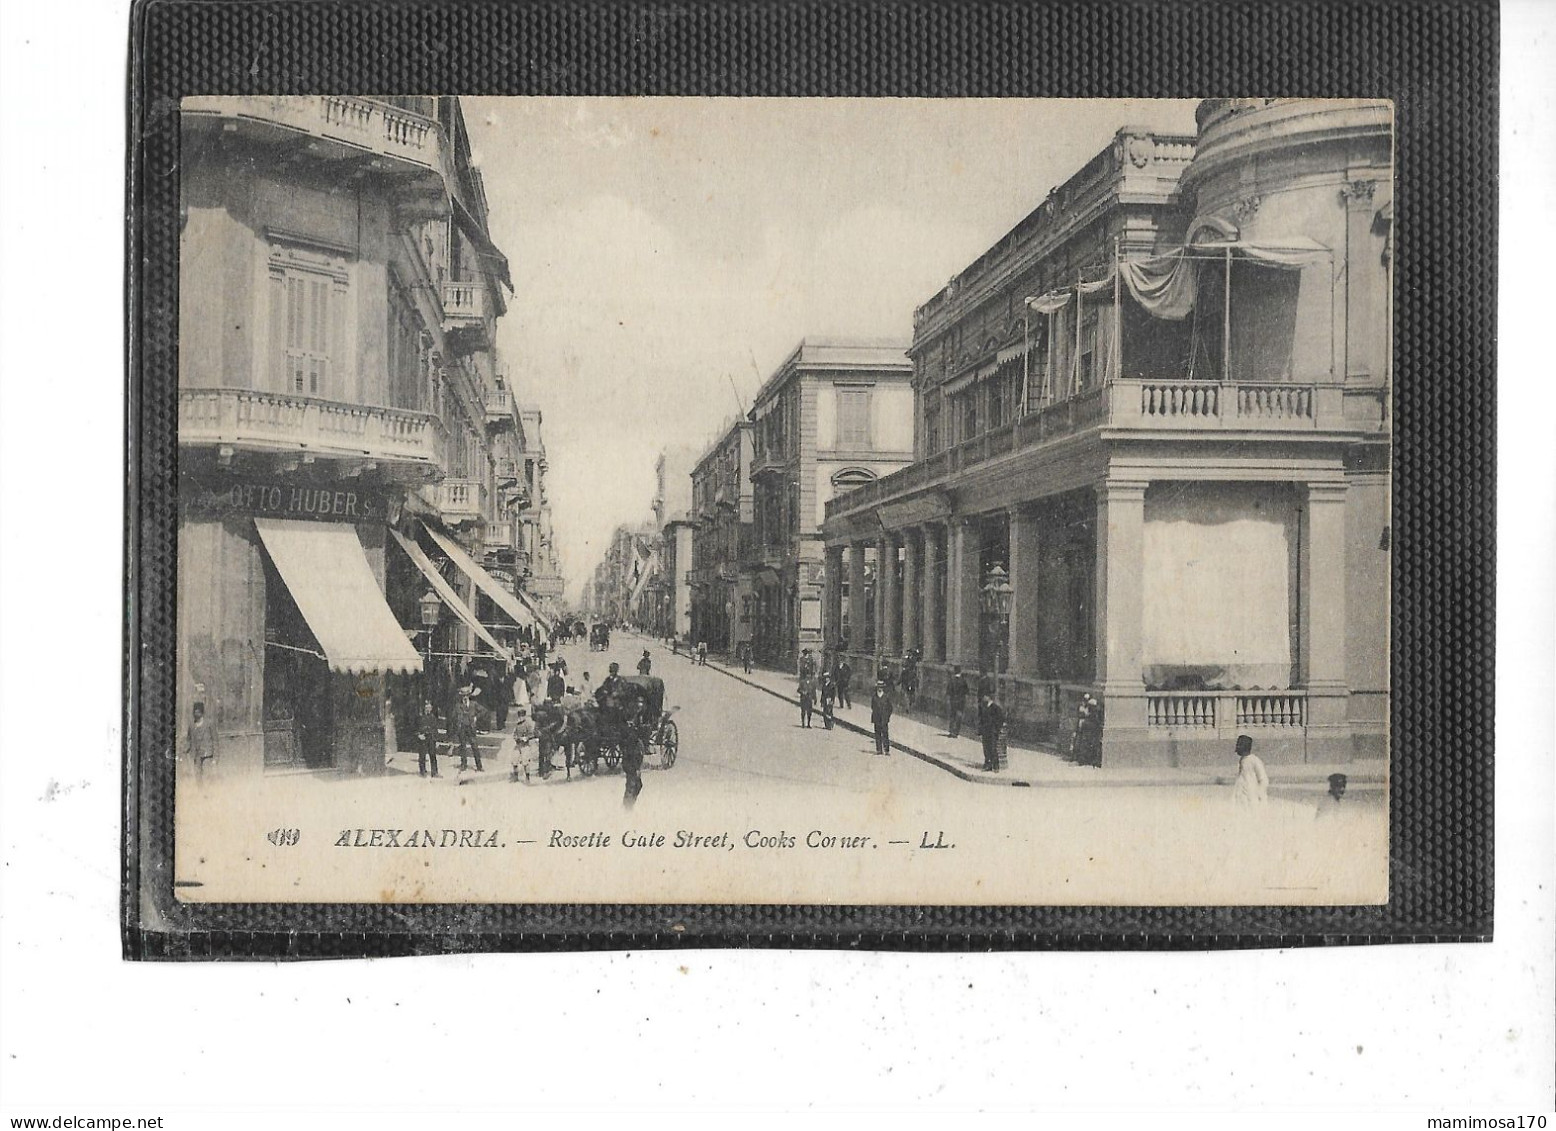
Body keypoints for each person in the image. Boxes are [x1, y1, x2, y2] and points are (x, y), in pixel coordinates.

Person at [450, 685, 483, 772]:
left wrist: (476, 717)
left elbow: (484, 711)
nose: (464, 697)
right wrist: (457, 723)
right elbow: (453, 717)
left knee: (475, 747)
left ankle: (479, 765)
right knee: (463, 747)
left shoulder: (474, 704)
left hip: (471, 728)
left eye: (466, 695)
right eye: (463, 696)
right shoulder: (458, 705)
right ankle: (463, 764)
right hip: (462, 728)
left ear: (469, 696)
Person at [1231, 734, 1269, 807]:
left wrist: (1258, 794)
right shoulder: (1242, 760)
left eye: (1239, 745)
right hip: (1243, 797)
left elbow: (1264, 779)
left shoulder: (1255, 761)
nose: (1236, 748)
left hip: (1253, 799)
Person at [186, 699, 215, 779]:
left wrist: (216, 757)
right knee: (198, 776)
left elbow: (215, 740)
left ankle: (207, 790)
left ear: (202, 713)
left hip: (207, 754)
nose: (196, 714)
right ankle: (200, 790)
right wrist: (186, 748)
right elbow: (188, 738)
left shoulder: (209, 723)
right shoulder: (192, 725)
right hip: (196, 754)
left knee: (207, 776)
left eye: (198, 712)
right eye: (195, 712)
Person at [414, 699, 442, 779]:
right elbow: (415, 727)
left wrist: (436, 740)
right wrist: (418, 735)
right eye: (427, 708)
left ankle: (434, 772)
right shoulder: (419, 717)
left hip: (431, 738)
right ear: (424, 708)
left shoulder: (433, 717)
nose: (428, 709)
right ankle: (422, 771)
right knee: (422, 755)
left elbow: (435, 729)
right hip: (423, 738)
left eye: (430, 708)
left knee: (433, 755)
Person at [980, 692, 1006, 772]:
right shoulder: (984, 706)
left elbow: (1001, 719)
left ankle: (995, 765)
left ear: (989, 697)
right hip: (985, 731)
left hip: (992, 731)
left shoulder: (995, 708)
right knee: (986, 748)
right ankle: (988, 764)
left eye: (985, 696)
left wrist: (996, 729)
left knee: (992, 748)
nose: (983, 698)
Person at [869, 679, 894, 755]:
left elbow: (890, 708)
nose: (879, 689)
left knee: (885, 734)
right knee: (877, 734)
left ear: (883, 688)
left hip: (884, 719)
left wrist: (887, 716)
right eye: (878, 687)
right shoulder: (874, 697)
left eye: (881, 687)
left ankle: (886, 750)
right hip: (876, 718)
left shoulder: (886, 697)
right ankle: (879, 749)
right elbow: (872, 706)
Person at [945, 665, 969, 737]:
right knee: (959, 716)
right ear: (960, 671)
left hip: (953, 700)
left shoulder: (951, 680)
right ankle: (956, 732)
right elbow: (967, 691)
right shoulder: (963, 680)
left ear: (954, 671)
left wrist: (948, 700)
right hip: (961, 701)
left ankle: (951, 731)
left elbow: (948, 691)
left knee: (952, 715)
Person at [975, 667, 996, 736]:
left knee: (982, 715)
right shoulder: (989, 680)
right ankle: (983, 730)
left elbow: (980, 692)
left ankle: (981, 730)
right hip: (986, 700)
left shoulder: (982, 681)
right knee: (984, 715)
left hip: (983, 700)